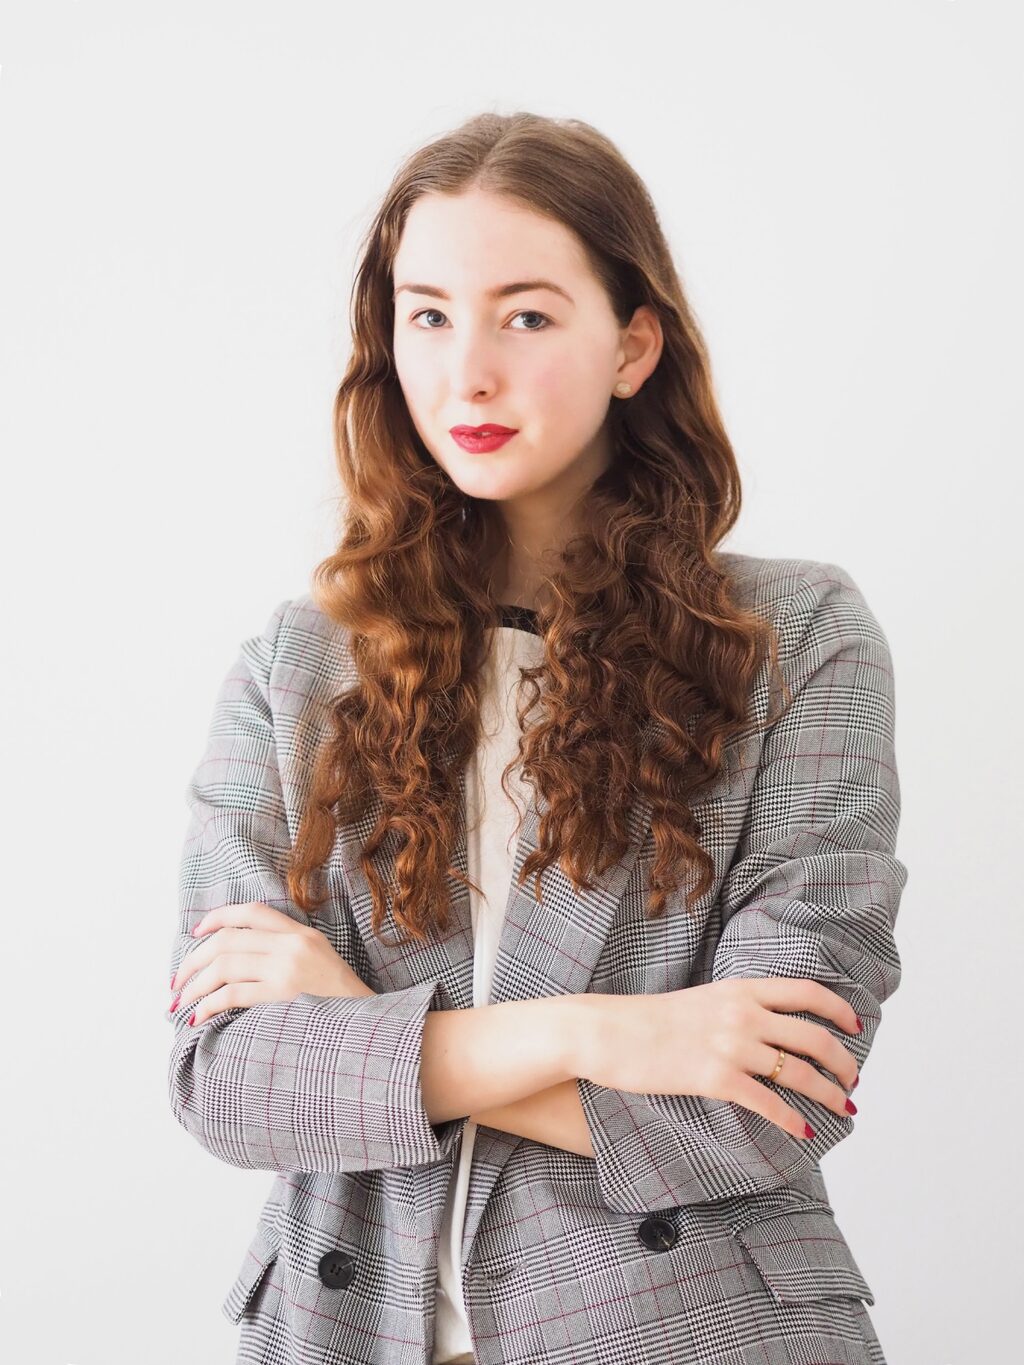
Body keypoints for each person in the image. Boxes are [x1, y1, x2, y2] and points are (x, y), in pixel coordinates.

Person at [166, 110, 907, 1365]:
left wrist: (359, 1026)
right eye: (427, 315)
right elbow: (230, 1082)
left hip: (685, 1331)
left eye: (525, 316)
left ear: (632, 346)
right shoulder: (297, 667)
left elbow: (780, 1098)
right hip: (345, 1329)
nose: (468, 375)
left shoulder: (791, 639)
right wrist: (601, 1032)